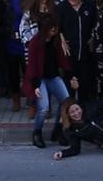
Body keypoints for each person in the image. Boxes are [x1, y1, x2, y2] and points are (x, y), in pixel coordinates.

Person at [24, 17, 71, 148]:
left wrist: (70, 75)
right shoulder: (35, 42)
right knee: (43, 108)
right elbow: (32, 65)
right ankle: (37, 132)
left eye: (55, 28)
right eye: (52, 28)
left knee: (66, 102)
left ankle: (59, 129)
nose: (54, 30)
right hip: (40, 78)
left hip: (53, 76)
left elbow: (62, 60)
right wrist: (35, 85)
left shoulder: (55, 41)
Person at [57, 0, 97, 104]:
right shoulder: (62, 7)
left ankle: (85, 111)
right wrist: (62, 41)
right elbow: (57, 26)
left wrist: (93, 37)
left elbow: (96, 24)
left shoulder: (89, 6)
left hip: (86, 50)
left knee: (85, 82)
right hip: (69, 49)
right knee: (70, 83)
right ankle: (69, 112)